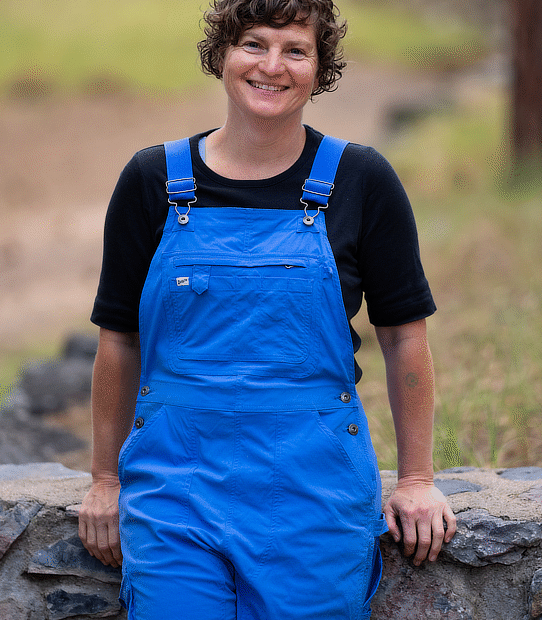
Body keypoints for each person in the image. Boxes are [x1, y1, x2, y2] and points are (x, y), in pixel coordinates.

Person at [79, 0, 457, 617]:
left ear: (320, 67)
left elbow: (404, 340)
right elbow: (118, 340)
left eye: (296, 50)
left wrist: (416, 479)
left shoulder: (361, 179)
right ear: (222, 56)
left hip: (316, 496)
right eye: (254, 44)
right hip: (175, 492)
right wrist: (105, 479)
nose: (272, 66)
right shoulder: (152, 179)